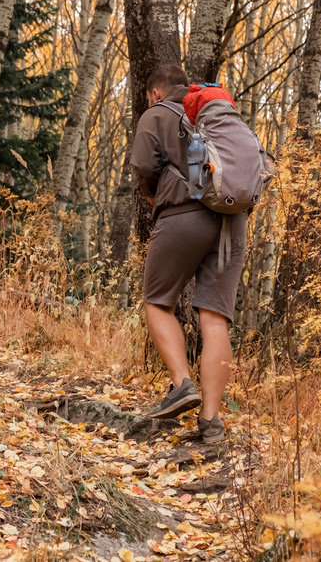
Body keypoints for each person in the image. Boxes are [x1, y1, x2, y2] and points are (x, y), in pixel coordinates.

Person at [129, 64, 247, 443]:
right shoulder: (218, 115)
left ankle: (182, 384)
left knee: (157, 301)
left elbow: (145, 165)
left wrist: (153, 194)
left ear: (154, 93)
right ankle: (211, 422)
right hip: (232, 220)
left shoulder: (157, 113)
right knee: (215, 320)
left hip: (184, 216)